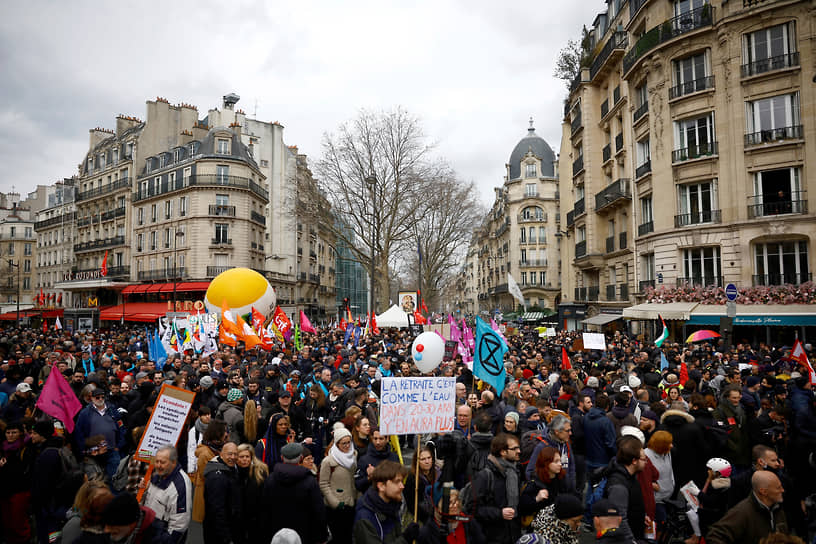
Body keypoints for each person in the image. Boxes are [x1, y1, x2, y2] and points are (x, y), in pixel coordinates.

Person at [263, 442, 329, 543]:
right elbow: (318, 511)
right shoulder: (310, 481)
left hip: (277, 535)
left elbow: (264, 510)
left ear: (281, 457)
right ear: (301, 458)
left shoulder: (270, 480)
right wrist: (321, 536)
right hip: (305, 534)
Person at [706, 470, 788, 543]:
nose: (782, 490)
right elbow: (715, 535)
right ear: (763, 491)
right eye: (778, 488)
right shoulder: (742, 512)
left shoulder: (778, 509)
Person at [470, 433, 522, 543]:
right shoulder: (485, 475)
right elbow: (473, 509)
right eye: (514, 449)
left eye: (519, 447)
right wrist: (499, 513)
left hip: (513, 534)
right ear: (503, 452)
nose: (519, 451)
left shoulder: (515, 471)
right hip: (493, 537)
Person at [352, 460, 419, 543]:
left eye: (402, 481)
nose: (402, 486)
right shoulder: (365, 519)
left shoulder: (391, 505)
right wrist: (405, 539)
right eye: (397, 482)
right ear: (381, 486)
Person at [142, 445, 193, 544]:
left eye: (163, 462)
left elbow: (179, 524)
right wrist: (144, 490)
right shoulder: (156, 474)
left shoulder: (181, 484)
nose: (158, 465)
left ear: (173, 462)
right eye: (156, 461)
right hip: (150, 532)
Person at [74, 387, 126, 479]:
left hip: (112, 450)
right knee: (95, 480)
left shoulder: (112, 410)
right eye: (97, 397)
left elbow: (121, 428)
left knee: (114, 479)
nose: (100, 399)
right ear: (92, 398)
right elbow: (79, 433)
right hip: (93, 452)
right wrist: (83, 450)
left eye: (102, 397)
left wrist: (119, 446)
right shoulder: (85, 413)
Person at [605, 435, 648, 543]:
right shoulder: (619, 485)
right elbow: (619, 519)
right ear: (634, 461)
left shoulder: (631, 477)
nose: (646, 462)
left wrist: (641, 516)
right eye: (643, 459)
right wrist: (631, 541)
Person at [320, 427, 358, 544]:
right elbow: (323, 484)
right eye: (343, 443)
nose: (347, 446)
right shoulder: (328, 461)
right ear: (337, 444)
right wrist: (335, 503)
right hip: (336, 508)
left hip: (351, 504)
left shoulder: (354, 455)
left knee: (348, 537)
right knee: (339, 538)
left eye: (349, 442)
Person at [0, 422, 35, 544]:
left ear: (20, 433)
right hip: (4, 491)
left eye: (14, 432)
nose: (10, 435)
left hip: (19, 490)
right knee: (7, 521)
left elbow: (24, 471)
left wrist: (6, 467)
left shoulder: (26, 449)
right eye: (8, 433)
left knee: (18, 522)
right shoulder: (2, 448)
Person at [520, 446, 574, 522]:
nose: (560, 464)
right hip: (540, 524)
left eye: (560, 461)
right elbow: (523, 508)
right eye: (556, 461)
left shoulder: (563, 478)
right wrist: (536, 499)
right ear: (546, 463)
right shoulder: (535, 483)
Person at [203, 442, 242, 544]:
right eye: (229, 454)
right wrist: (227, 537)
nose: (233, 457)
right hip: (219, 534)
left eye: (235, 454)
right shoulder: (218, 478)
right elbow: (217, 510)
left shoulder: (230, 470)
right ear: (221, 454)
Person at [191, 419, 227, 525]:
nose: (226, 434)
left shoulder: (217, 449)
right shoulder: (205, 454)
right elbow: (206, 477)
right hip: (208, 497)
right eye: (224, 431)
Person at [102, 492, 173, 544]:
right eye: (106, 525)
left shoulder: (158, 539)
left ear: (132, 524)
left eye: (112, 526)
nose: (106, 530)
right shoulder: (117, 533)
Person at [236, 443, 269, 544]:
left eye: (247, 456)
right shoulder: (234, 473)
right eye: (241, 457)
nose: (245, 459)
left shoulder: (260, 473)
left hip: (256, 519)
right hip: (239, 519)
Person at [644, 431, 674, 528]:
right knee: (659, 527)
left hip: (667, 497)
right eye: (669, 443)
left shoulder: (667, 452)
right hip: (656, 500)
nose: (672, 446)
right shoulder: (645, 456)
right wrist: (652, 485)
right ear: (661, 445)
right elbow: (641, 478)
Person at [404, 445, 439, 524]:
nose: (427, 461)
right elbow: (411, 504)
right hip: (422, 519)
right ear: (417, 461)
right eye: (423, 459)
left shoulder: (438, 473)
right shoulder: (412, 479)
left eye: (429, 458)